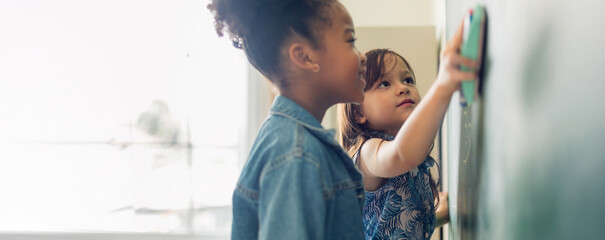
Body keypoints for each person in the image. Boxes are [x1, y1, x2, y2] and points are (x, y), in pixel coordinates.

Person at [208, 0, 367, 239]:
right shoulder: (297, 154)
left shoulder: (290, 142)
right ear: (304, 56)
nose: (362, 56)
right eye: (350, 41)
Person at [339, 23, 477, 239]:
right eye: (384, 84)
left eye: (408, 80)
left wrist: (440, 214)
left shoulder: (411, 159)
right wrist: (444, 84)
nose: (403, 88)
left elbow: (405, 223)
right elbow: (401, 154)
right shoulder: (368, 153)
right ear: (358, 113)